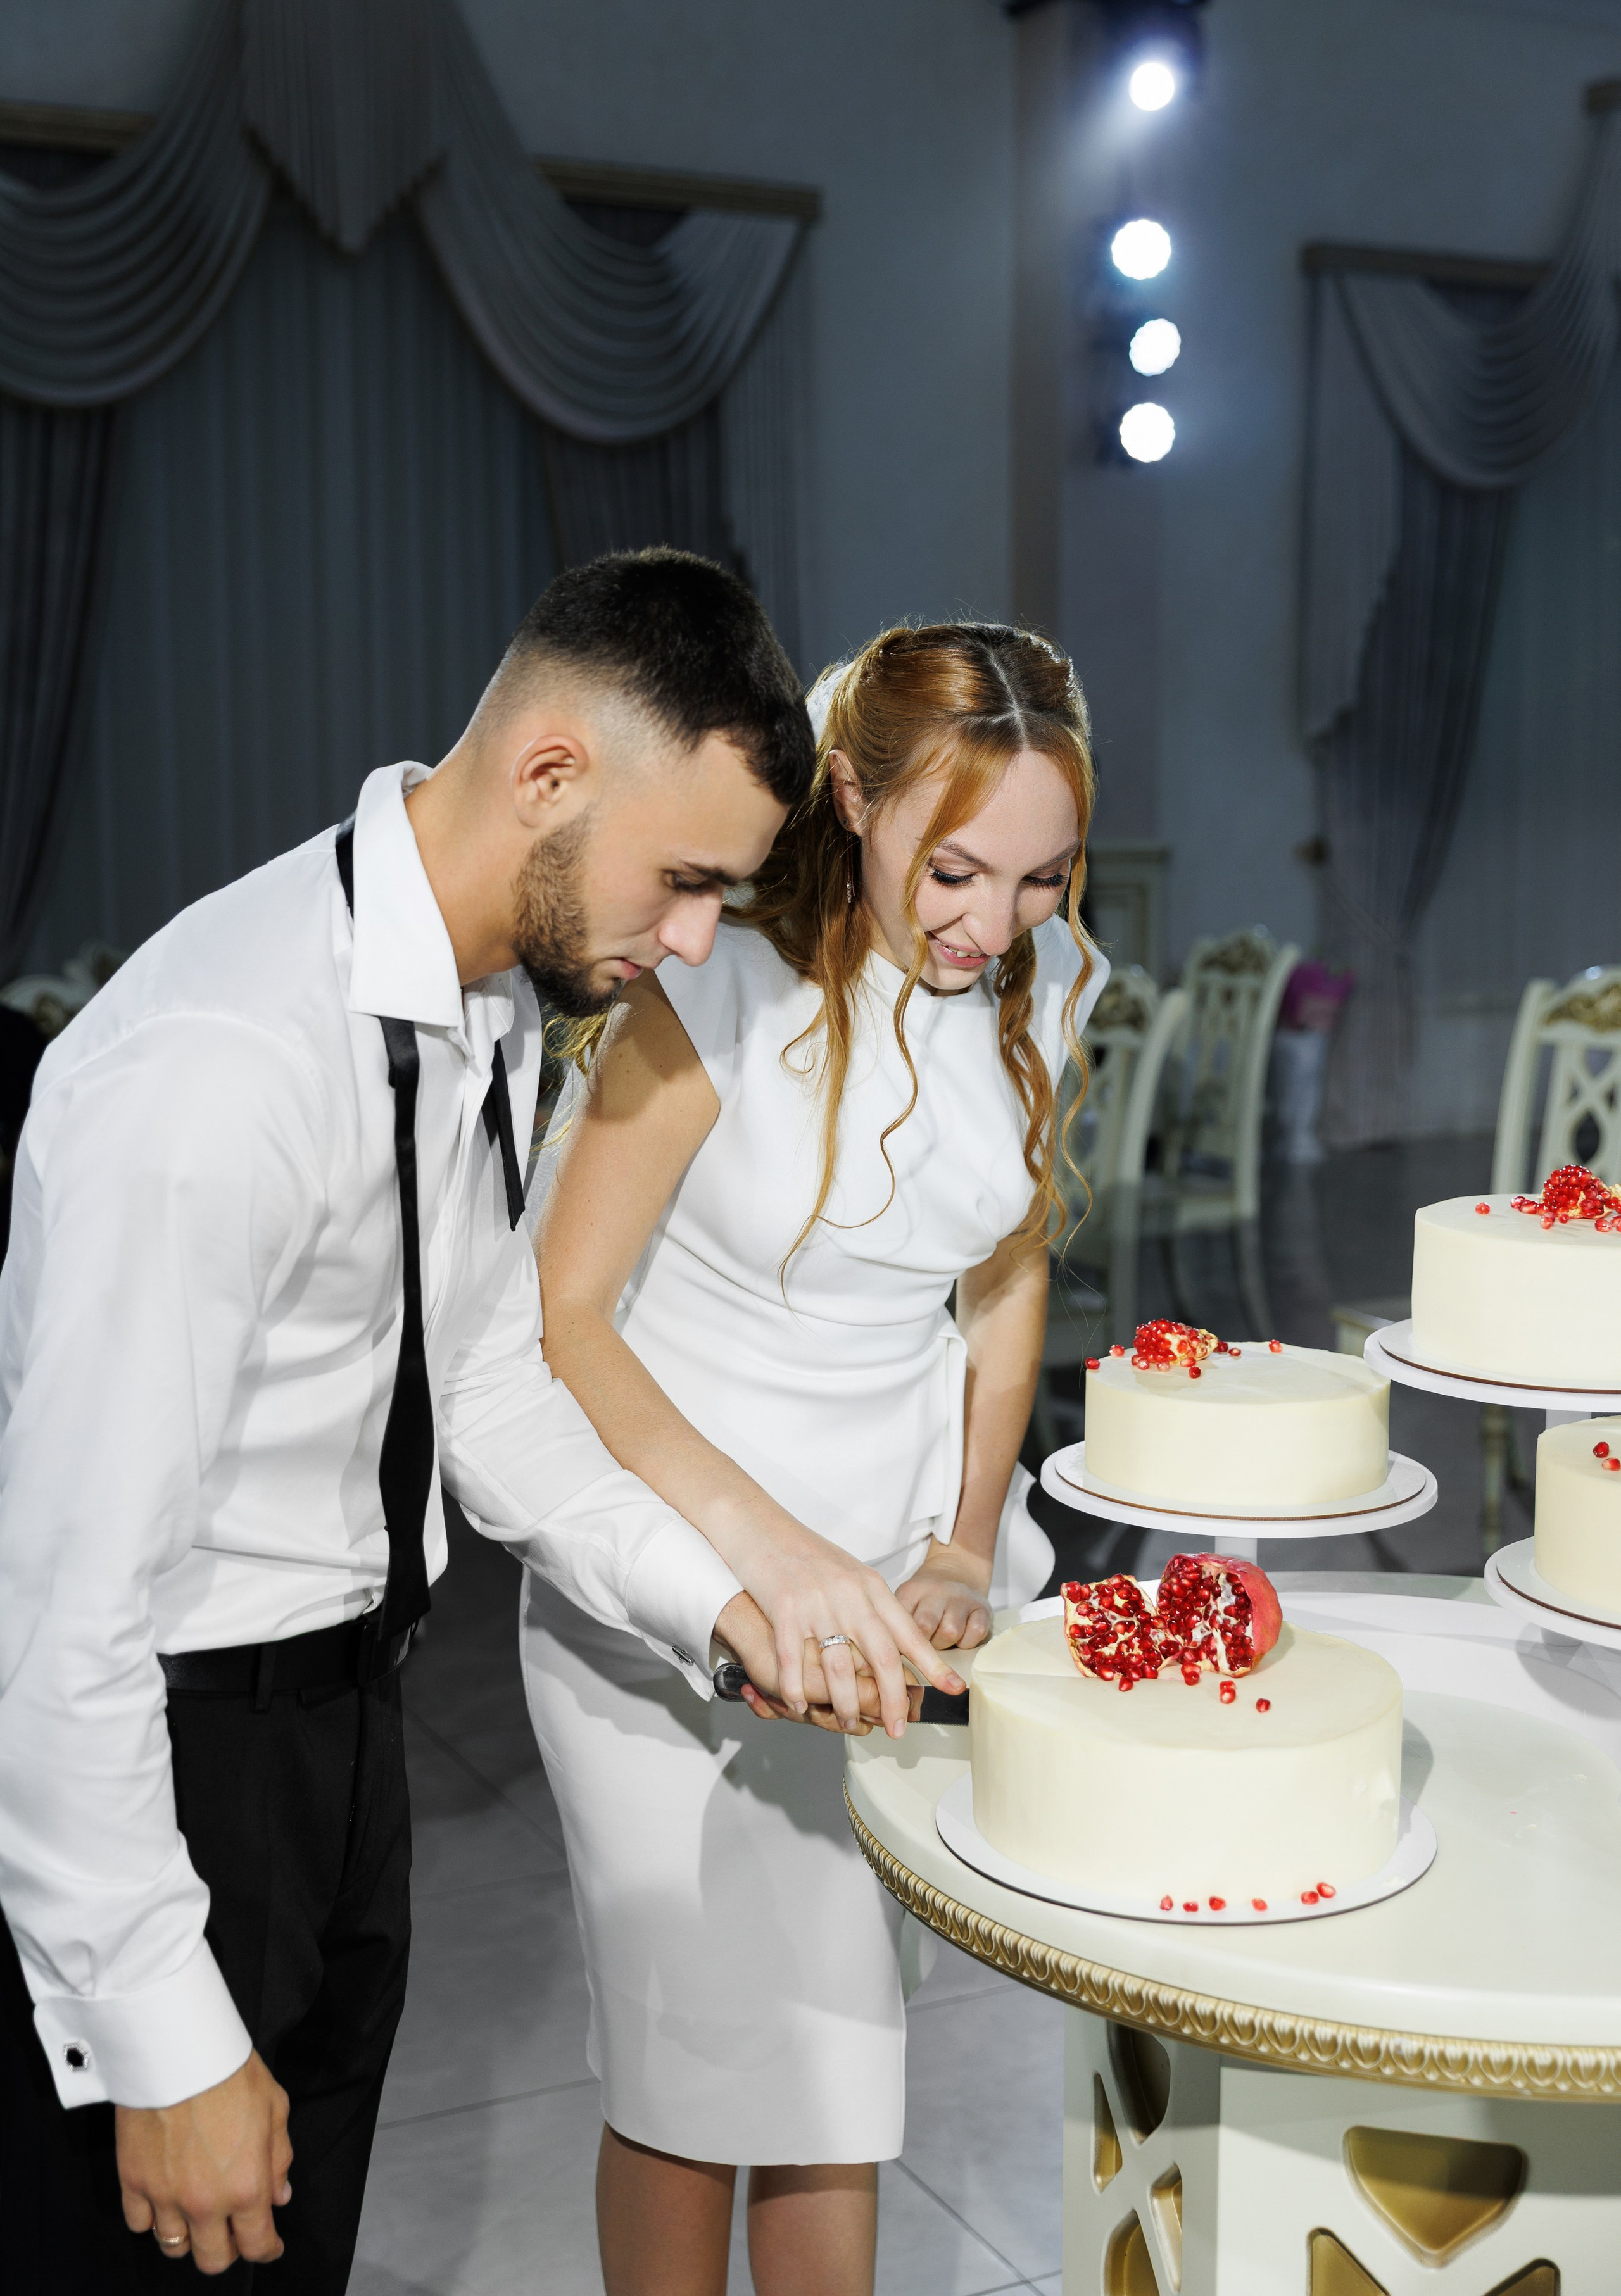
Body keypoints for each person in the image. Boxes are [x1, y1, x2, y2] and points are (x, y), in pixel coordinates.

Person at [0, 549, 959, 2296]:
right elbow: (59, 1615)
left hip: (348, 1751)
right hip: (185, 1775)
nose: (686, 945)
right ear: (547, 775)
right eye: (683, 885)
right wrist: (157, 2026)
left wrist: (721, 1603)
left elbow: (491, 1387)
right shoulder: (218, 1071)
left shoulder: (493, 1005)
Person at [526, 620, 1110, 2296]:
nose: (991, 927)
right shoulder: (713, 982)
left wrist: (957, 1539)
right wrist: (756, 1562)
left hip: (885, 1584)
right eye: (955, 870)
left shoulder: (1043, 987)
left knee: (836, 2072)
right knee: (688, 2067)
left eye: (1039, 878)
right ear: (848, 796)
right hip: (670, 1565)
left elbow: (1004, 1270)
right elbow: (567, 1317)